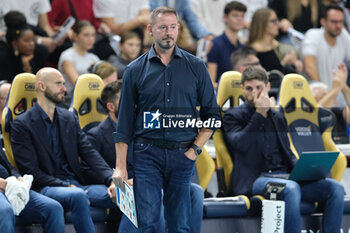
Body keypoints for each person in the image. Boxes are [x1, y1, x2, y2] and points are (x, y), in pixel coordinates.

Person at [112, 6, 220, 232]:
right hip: (146, 154)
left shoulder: (197, 66)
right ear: (151, 29)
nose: (168, 32)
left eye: (173, 27)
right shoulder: (134, 70)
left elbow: (212, 116)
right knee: (148, 223)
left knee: (179, 226)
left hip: (183, 154)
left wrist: (194, 151)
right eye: (163, 27)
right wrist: (120, 167)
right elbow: (124, 123)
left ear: (178, 29)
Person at [222, 66, 344, 233]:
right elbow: (240, 144)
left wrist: (304, 169)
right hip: (258, 180)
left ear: (267, 87)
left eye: (259, 88)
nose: (255, 93)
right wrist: (259, 114)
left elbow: (286, 151)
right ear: (243, 89)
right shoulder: (233, 116)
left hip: (286, 175)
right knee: (290, 189)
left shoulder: (277, 116)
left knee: (335, 188)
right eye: (249, 88)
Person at [86, 81, 204, 233]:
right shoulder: (96, 135)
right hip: (117, 185)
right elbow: (90, 169)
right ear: (111, 107)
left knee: (195, 191)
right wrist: (118, 180)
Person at [10, 67, 117, 233]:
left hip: (76, 184)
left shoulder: (69, 117)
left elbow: (89, 152)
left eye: (63, 84)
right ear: (42, 86)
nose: (64, 88)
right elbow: (31, 172)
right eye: (58, 83)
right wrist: (65, 185)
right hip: (45, 187)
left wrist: (111, 179)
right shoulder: (22, 125)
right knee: (79, 196)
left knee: (125, 192)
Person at [0, 140, 65, 233]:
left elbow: (8, 166)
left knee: (54, 208)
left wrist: (18, 177)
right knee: (5, 211)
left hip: (10, 185)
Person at [302, 4, 350, 107]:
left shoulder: (344, 35)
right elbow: (310, 67)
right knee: (319, 94)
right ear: (323, 21)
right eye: (334, 21)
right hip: (315, 90)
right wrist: (326, 93)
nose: (338, 26)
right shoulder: (312, 35)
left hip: (337, 90)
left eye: (341, 22)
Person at [248, 8, 303, 74]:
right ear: (262, 24)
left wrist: (295, 65)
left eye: (277, 20)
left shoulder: (276, 45)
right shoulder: (251, 51)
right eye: (273, 21)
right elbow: (263, 76)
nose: (278, 24)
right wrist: (284, 63)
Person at [207, 1, 246, 89]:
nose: (239, 19)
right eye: (235, 15)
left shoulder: (243, 47)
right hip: (221, 95)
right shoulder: (215, 44)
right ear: (225, 17)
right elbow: (210, 82)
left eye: (242, 16)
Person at [310, 63, 350, 144]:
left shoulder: (336, 112)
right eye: (325, 95)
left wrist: (343, 85)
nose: (326, 92)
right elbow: (317, 113)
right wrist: (335, 90)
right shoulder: (307, 115)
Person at [58, 20, 99, 98]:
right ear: (75, 36)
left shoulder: (94, 58)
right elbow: (77, 83)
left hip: (92, 97)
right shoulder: (67, 56)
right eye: (86, 35)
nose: (91, 39)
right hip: (71, 99)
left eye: (93, 35)